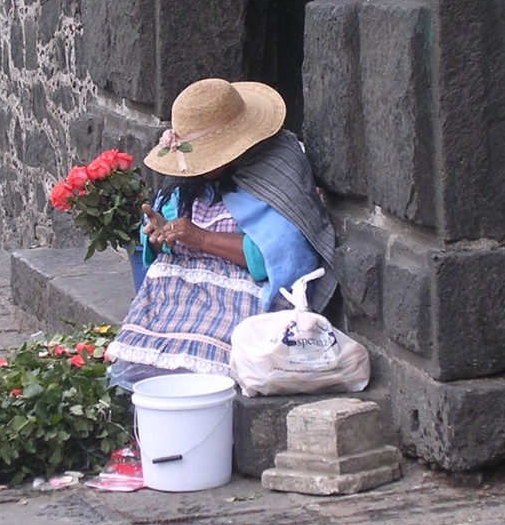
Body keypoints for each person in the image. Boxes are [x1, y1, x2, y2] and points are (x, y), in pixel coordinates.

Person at [104, 78, 337, 387]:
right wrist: (160, 236)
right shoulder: (190, 183)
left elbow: (285, 255)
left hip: (240, 298)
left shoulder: (277, 170)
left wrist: (202, 239)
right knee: (156, 370)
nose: (196, 167)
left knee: (208, 373)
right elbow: (171, 226)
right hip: (179, 296)